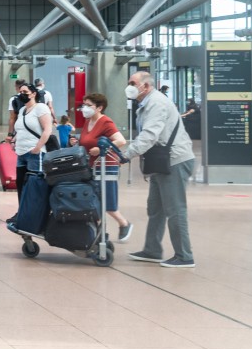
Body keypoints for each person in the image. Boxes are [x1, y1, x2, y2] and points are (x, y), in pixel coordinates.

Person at [123, 71, 195, 268]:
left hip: (174, 161)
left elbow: (149, 135)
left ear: (146, 86)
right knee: (156, 208)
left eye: (133, 83)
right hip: (162, 162)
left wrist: (127, 154)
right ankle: (152, 250)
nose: (129, 86)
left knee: (175, 209)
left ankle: (184, 256)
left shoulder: (156, 103)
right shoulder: (146, 103)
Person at [77, 93, 133, 242]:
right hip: (92, 166)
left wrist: (100, 149)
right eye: (84, 105)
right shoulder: (88, 122)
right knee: (95, 202)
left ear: (99, 108)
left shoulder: (106, 122)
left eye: (89, 105)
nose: (85, 108)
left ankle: (124, 223)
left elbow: (120, 140)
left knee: (108, 203)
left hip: (106, 166)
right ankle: (100, 233)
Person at [12, 81, 54, 188]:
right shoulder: (22, 110)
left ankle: (35, 205)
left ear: (33, 94)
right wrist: (14, 140)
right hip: (21, 152)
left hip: (35, 153)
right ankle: (22, 205)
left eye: (25, 91)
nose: (22, 94)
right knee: (21, 183)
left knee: (35, 183)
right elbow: (21, 129)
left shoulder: (41, 108)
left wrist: (37, 148)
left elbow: (48, 130)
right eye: (20, 92)